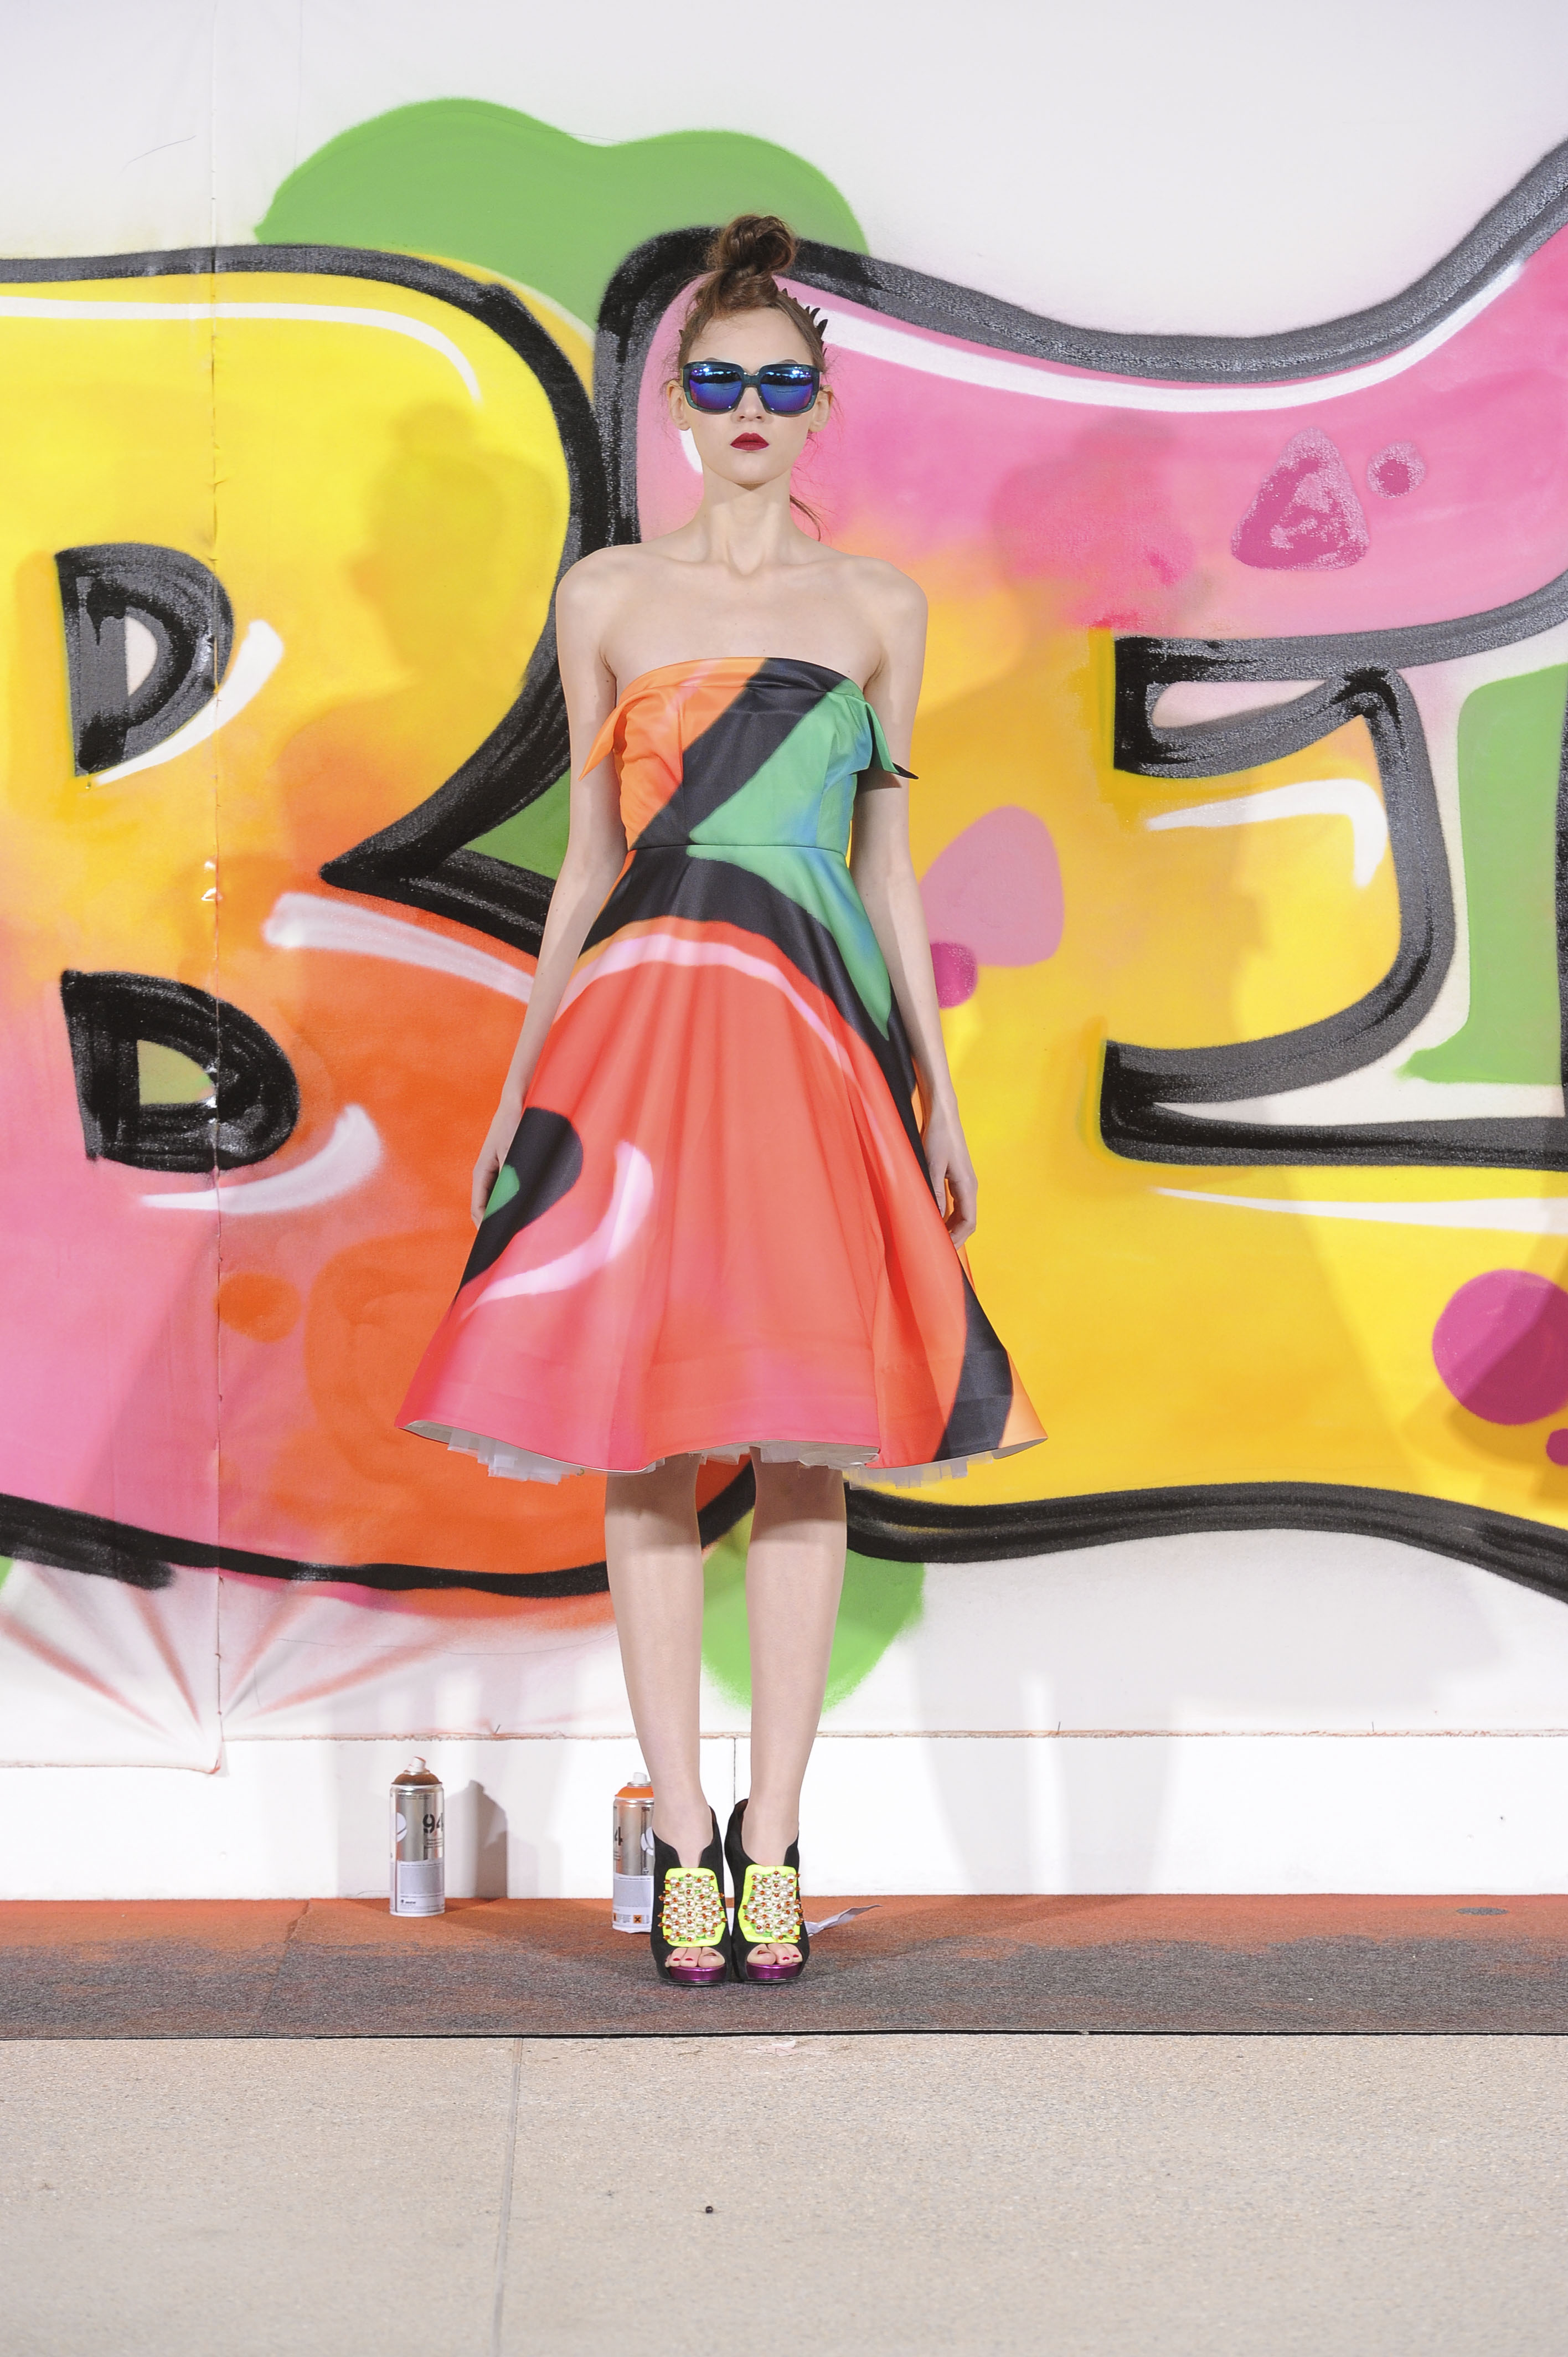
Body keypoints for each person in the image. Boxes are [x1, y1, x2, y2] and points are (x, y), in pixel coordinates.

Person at [398, 214, 1042, 1984]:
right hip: (644, 1036)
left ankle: (777, 1833)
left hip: (821, 1038)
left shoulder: (880, 608)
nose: (751, 406)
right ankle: (683, 1832)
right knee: (648, 1431)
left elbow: (887, 867)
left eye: (781, 381)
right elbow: (585, 863)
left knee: (809, 1437)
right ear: (677, 406)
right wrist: (522, 1084)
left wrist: (941, 1094)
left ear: (821, 407)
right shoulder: (607, 597)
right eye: (718, 379)